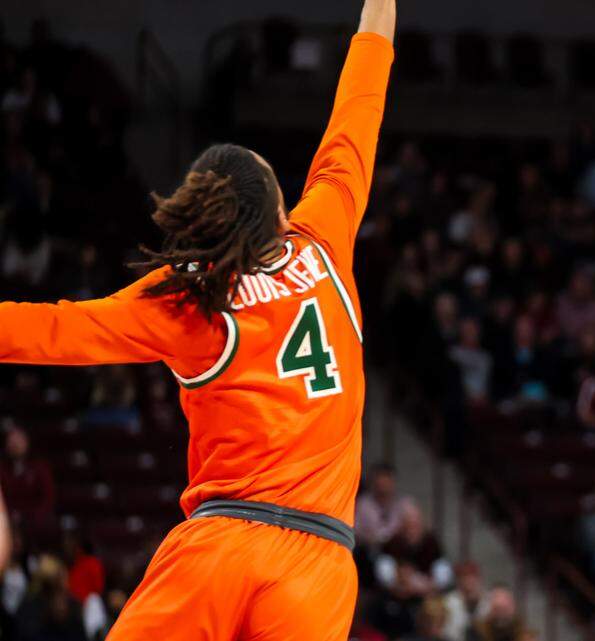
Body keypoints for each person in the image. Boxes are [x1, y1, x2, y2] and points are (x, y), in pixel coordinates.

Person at [0, 1, 397, 638]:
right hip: (318, 567)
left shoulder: (194, 299)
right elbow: (361, 103)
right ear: (275, 207)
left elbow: (56, 330)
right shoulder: (323, 236)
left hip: (220, 545)